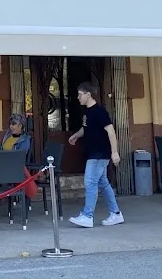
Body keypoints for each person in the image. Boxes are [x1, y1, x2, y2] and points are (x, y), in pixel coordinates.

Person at [67, 83, 123, 228]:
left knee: (90, 182)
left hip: (99, 153)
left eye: (80, 94)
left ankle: (87, 215)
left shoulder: (100, 112)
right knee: (102, 183)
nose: (78, 97)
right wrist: (76, 136)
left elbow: (111, 131)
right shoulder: (87, 112)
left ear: (88, 94)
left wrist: (114, 152)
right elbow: (86, 129)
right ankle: (115, 214)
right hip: (93, 152)